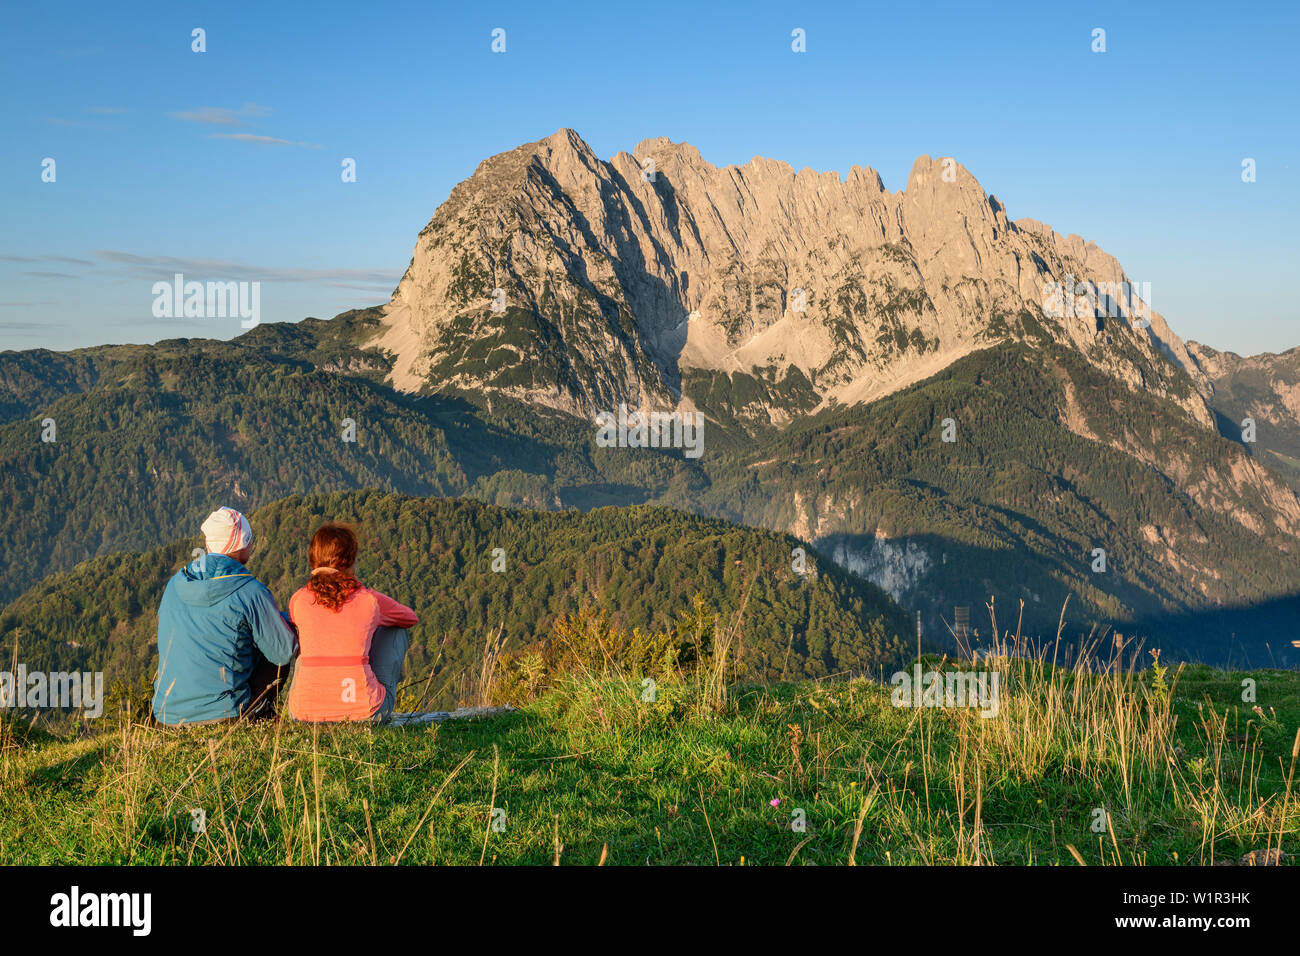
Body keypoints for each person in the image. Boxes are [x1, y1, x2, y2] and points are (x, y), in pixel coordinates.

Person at [153, 507, 297, 726]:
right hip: (226, 714)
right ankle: (258, 713)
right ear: (242, 544)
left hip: (166, 716)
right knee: (278, 637)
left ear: (209, 544)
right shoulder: (251, 592)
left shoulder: (174, 585)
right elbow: (282, 652)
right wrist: (285, 621)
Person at [286, 523, 417, 724]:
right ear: (350, 561)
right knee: (396, 630)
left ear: (313, 560)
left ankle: (312, 700)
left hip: (302, 715)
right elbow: (409, 618)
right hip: (366, 712)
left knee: (304, 641)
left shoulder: (298, 600)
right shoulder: (369, 600)